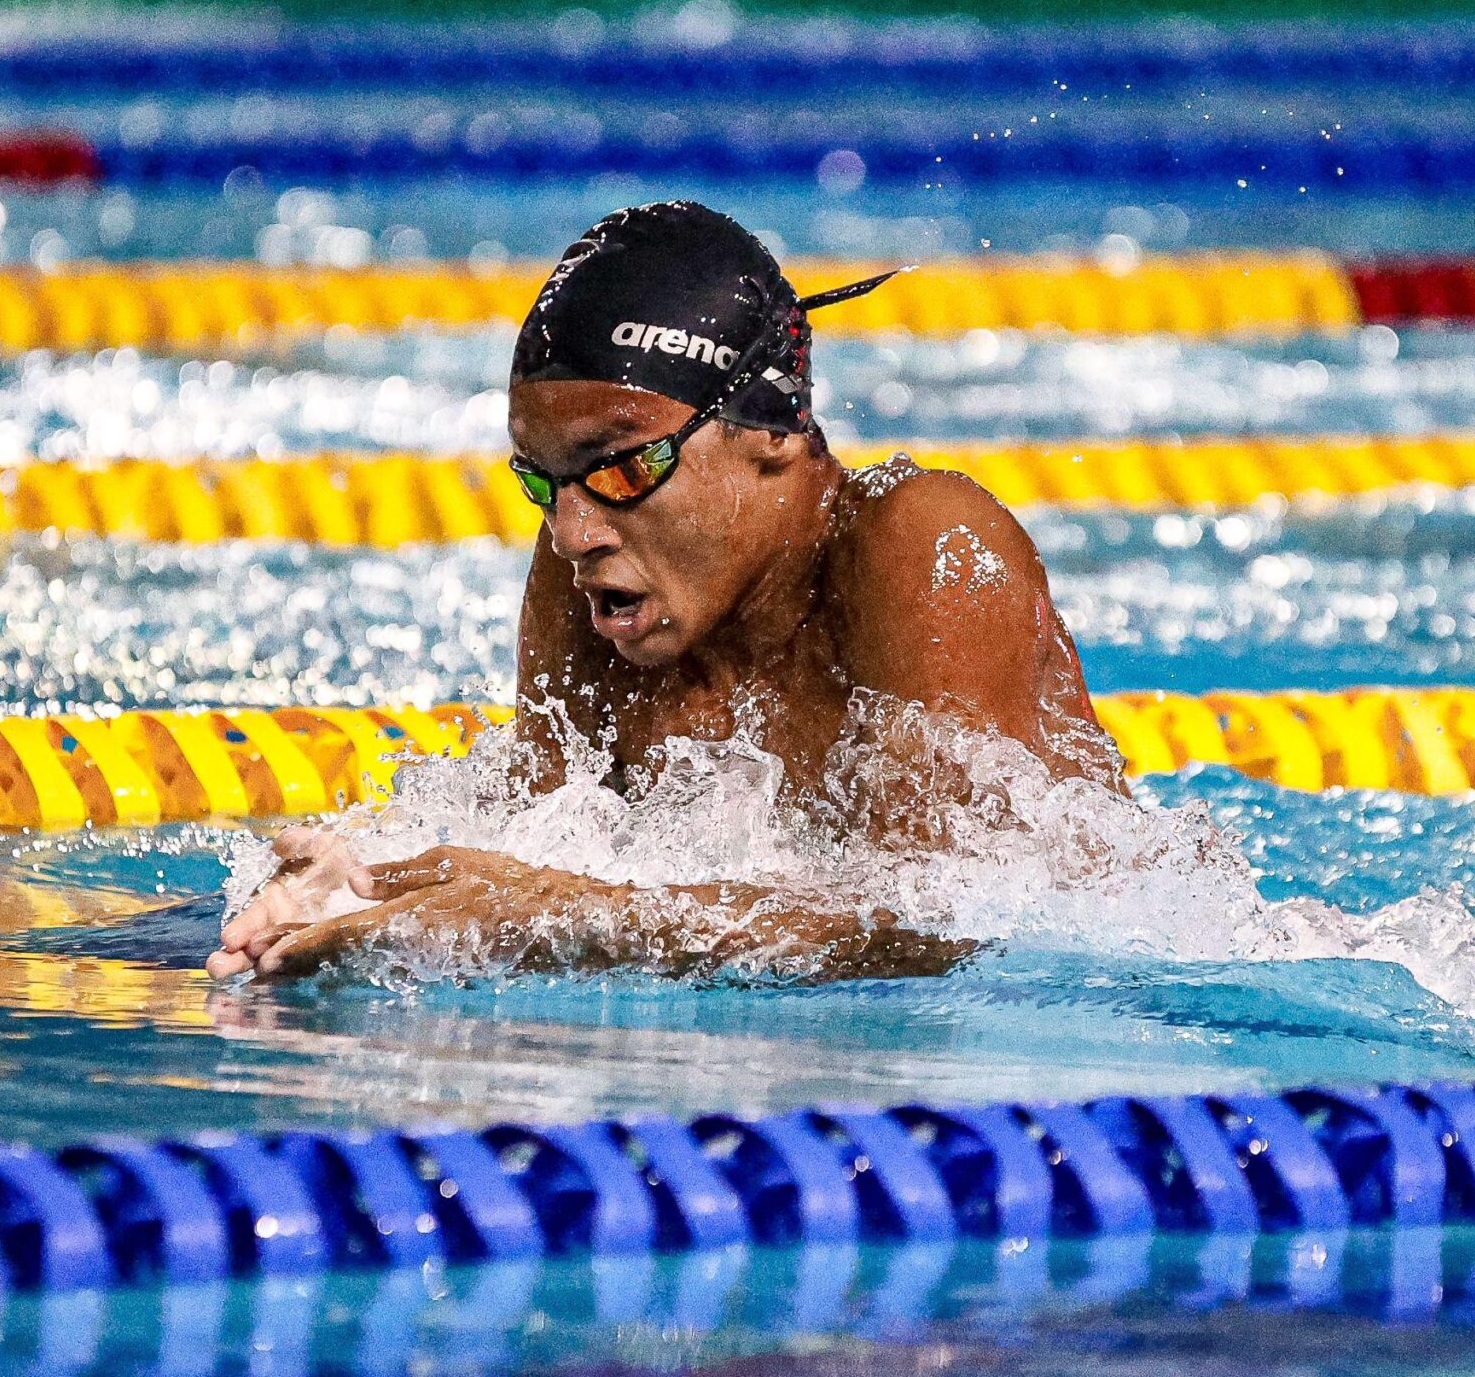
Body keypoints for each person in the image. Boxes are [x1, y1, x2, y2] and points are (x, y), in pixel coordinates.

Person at [208, 201, 1124, 982]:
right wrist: (363, 884)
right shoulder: (600, 578)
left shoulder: (919, 544)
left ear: (771, 432)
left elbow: (943, 922)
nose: (572, 532)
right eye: (544, 480)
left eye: (625, 464)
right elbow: (527, 849)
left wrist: (572, 915)